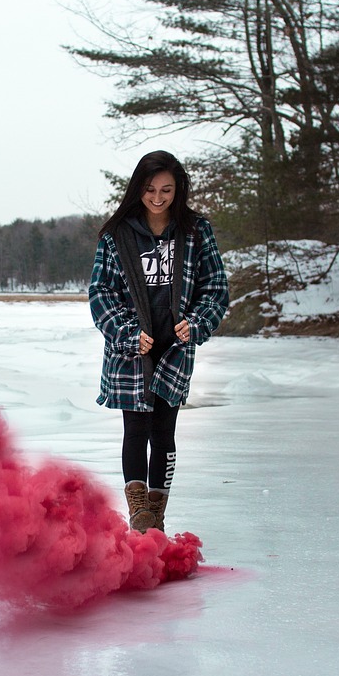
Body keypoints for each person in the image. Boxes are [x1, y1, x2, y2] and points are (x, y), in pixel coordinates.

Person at [88, 150, 229, 533]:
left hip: (174, 350)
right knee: (134, 430)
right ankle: (139, 516)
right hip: (132, 350)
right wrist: (127, 333)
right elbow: (100, 294)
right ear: (139, 188)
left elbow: (215, 289)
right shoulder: (116, 235)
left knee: (164, 433)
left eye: (166, 190)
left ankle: (157, 515)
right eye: (150, 189)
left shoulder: (196, 231)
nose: (157, 197)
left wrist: (197, 323)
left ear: (178, 190)